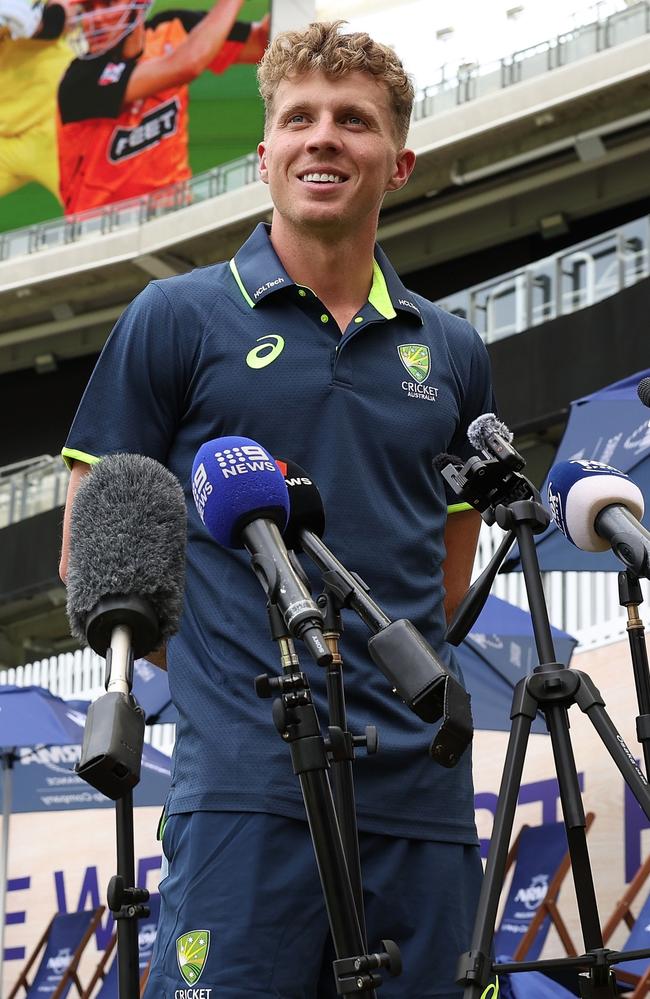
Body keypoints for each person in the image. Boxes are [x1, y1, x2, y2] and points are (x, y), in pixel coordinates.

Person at [60, 21, 496, 997]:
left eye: (354, 120)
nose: (322, 137)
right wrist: (234, 671)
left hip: (417, 799)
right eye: (298, 118)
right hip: (246, 796)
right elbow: (99, 554)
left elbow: (445, 573)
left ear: (399, 160)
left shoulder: (456, 353)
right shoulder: (172, 318)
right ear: (263, 156)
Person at [56, 0, 269, 213]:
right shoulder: (77, 81)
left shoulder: (174, 28)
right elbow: (186, 65)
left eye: (108, 3)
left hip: (174, 213)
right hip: (101, 230)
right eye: (88, 9)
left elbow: (263, 43)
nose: (96, 18)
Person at [0, 0, 72, 202]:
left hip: (54, 124)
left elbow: (64, 16)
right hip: (6, 135)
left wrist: (35, 22)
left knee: (100, 214)